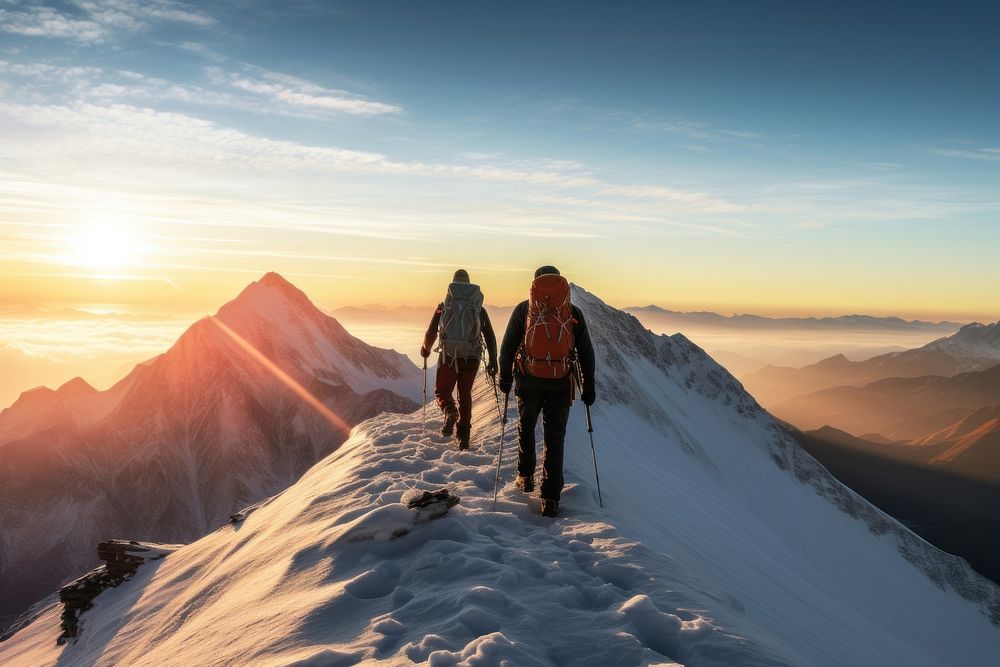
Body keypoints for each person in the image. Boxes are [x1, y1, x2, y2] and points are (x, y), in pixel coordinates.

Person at [498, 265, 596, 517]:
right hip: (561, 383)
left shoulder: (524, 310)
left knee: (526, 425)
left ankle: (525, 476)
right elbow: (586, 352)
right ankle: (550, 497)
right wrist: (588, 385)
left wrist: (506, 377)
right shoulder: (572, 313)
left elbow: (508, 346)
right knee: (555, 437)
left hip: (529, 380)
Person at [421, 269, 498, 450]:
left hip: (449, 356)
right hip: (471, 358)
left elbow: (431, 331)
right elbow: (490, 335)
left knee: (442, 391)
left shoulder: (445, 306)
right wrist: (494, 360)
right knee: (465, 395)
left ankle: (450, 412)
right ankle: (464, 438)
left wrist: (426, 349)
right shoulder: (478, 309)